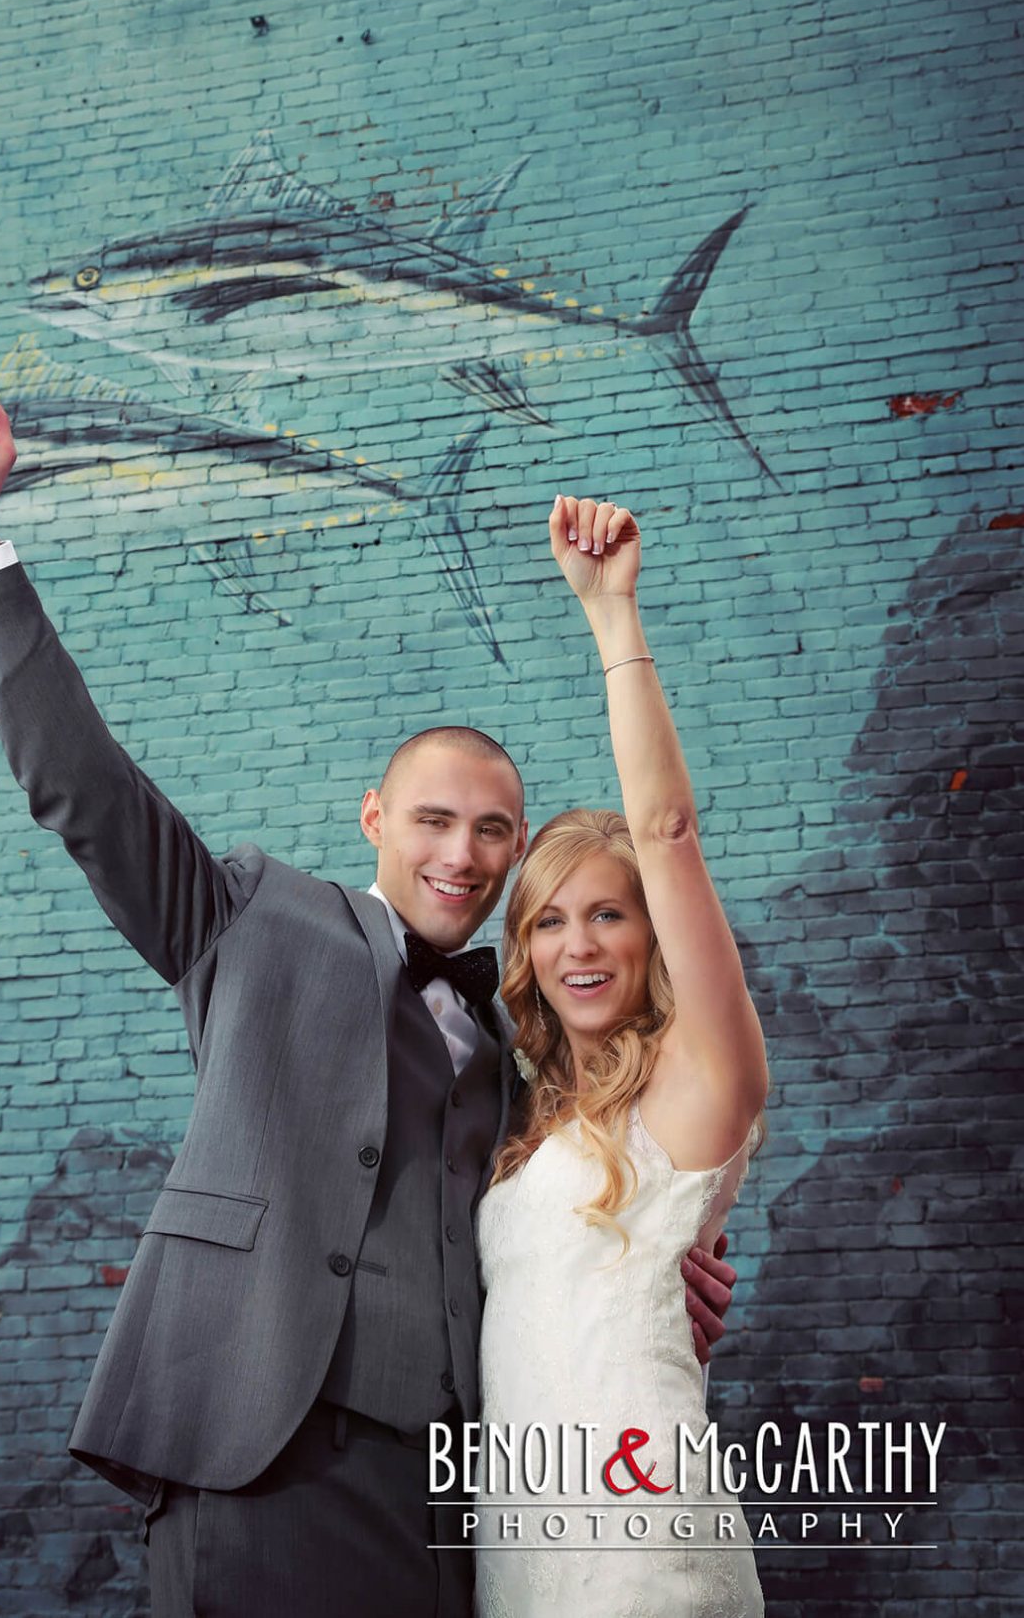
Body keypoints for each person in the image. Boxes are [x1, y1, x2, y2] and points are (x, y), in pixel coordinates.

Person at [0, 395, 737, 1618]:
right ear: (373, 821)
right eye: (433, 821)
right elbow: (84, 786)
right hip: (255, 1453)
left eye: (491, 831)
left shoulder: (525, 1047)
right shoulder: (249, 918)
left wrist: (658, 1262)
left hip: (458, 1499)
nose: (462, 854)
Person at [473, 494, 768, 1618]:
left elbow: (665, 832)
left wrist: (611, 618)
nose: (575, 945)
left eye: (608, 916)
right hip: (528, 1551)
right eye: (546, 921)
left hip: (643, 1556)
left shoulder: (698, 1088)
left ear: (655, 938)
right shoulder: (536, 1123)